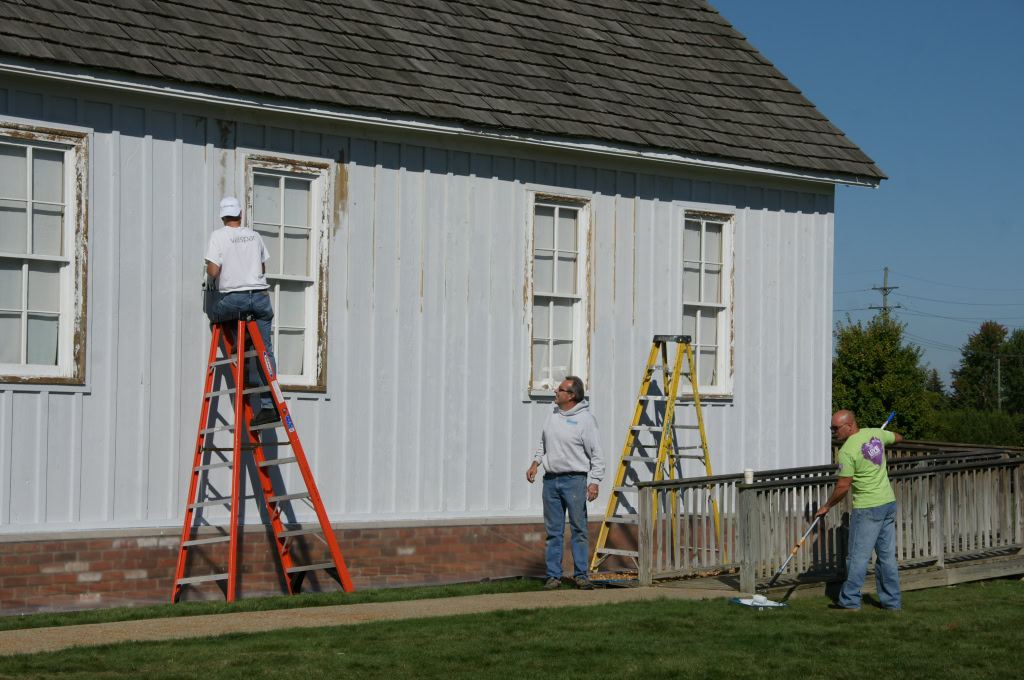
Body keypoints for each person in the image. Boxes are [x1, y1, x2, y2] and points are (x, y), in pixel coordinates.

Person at [814, 409, 904, 610]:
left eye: (835, 428)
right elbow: (898, 437)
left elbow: (843, 487)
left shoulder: (846, 451)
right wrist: (880, 440)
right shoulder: (875, 434)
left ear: (849, 425)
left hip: (868, 509)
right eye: (831, 428)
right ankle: (892, 602)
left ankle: (849, 601)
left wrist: (827, 506)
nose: (832, 432)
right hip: (887, 504)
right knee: (887, 557)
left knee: (857, 558)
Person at [204, 196, 280, 428]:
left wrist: (209, 270)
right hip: (260, 299)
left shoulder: (218, 236)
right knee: (265, 352)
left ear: (222, 216)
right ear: (240, 214)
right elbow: (262, 267)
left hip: (235, 301)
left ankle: (243, 341)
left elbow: (214, 272)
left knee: (215, 312)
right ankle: (270, 406)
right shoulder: (254, 236)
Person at [526, 376, 605, 590]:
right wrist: (535, 463)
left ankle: (581, 576)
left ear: (571, 396)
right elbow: (543, 443)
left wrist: (594, 481)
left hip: (575, 481)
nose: (555, 392)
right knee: (554, 532)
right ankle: (553, 576)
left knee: (579, 530)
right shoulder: (552, 415)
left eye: (560, 389)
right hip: (551, 481)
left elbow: (597, 453)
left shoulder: (586, 420)